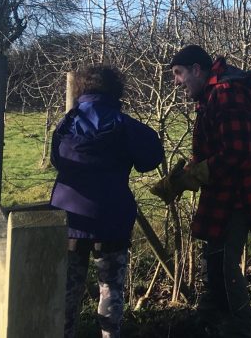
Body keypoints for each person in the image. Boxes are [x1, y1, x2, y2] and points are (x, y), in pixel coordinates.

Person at [150, 45, 251, 337]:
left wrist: (194, 177)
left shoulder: (226, 94)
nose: (176, 81)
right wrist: (186, 174)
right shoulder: (213, 95)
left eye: (178, 73)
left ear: (197, 70)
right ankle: (209, 320)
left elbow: (235, 152)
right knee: (213, 259)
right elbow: (217, 146)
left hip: (239, 194)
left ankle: (238, 329)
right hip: (225, 191)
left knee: (224, 264)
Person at [50, 65, 164, 338]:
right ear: (115, 90)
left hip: (70, 218)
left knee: (68, 288)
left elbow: (57, 161)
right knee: (110, 288)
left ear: (80, 89)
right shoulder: (124, 125)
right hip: (112, 219)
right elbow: (151, 157)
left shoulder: (66, 124)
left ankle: (64, 333)